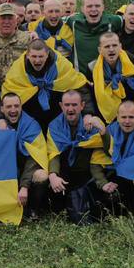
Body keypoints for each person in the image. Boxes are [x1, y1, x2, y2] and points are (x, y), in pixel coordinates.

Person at [43, 90, 109, 224]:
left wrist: (103, 131)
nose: (70, 109)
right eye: (67, 105)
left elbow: (108, 150)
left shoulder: (92, 124)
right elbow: (53, 154)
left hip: (88, 171)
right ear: (61, 106)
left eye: (74, 105)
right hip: (66, 170)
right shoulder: (54, 125)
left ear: (82, 106)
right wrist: (53, 175)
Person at [2, 39, 89, 128]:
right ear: (27, 55)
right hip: (30, 120)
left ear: (47, 55)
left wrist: (88, 114)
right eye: (34, 56)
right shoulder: (18, 70)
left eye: (41, 56)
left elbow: (81, 87)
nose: (37, 60)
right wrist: (1, 119)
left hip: (59, 119)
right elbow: (5, 95)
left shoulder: (61, 65)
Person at [95, 100, 134, 217]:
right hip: (114, 177)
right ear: (117, 117)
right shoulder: (107, 131)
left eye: (131, 117)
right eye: (123, 117)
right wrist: (103, 183)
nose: (127, 121)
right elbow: (95, 161)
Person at [0, 92, 48, 219]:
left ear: (21, 107)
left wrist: (24, 186)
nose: (13, 110)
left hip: (27, 172)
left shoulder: (32, 126)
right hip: (8, 174)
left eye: (16, 106)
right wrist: (2, 135)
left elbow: (34, 159)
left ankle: (33, 209)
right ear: (2, 109)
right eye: (9, 107)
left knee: (41, 175)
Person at [88, 32, 134, 123]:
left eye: (114, 45)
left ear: (120, 47)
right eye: (107, 46)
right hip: (106, 115)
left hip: (131, 114)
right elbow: (93, 98)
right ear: (100, 50)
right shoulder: (92, 68)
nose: (111, 49)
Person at [64, 0, 122, 73]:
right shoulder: (73, 21)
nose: (94, 9)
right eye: (89, 6)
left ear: (103, 7)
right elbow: (52, 19)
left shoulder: (114, 21)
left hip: (106, 78)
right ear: (82, 9)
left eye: (97, 6)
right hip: (81, 79)